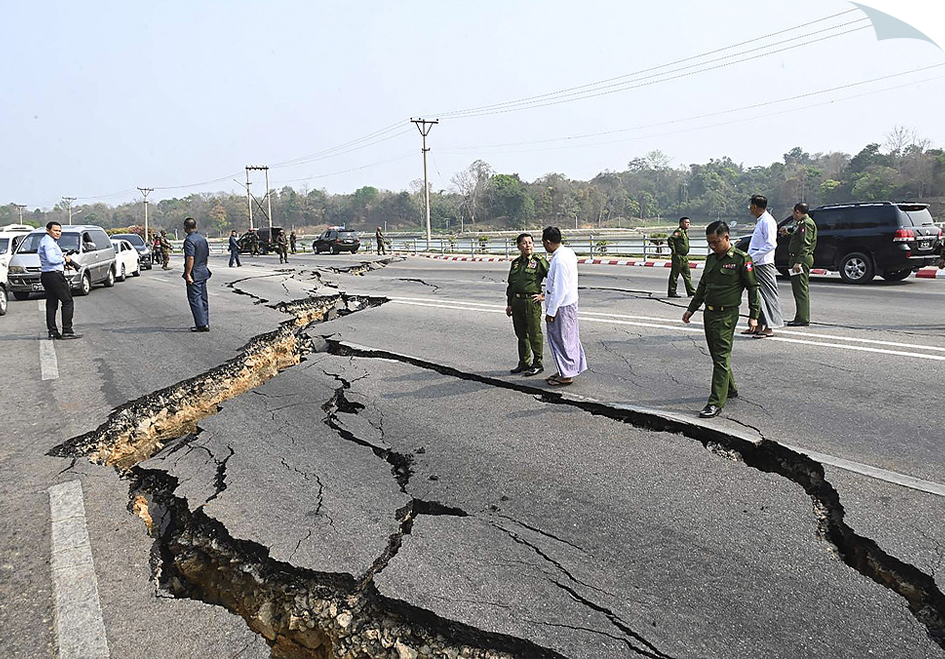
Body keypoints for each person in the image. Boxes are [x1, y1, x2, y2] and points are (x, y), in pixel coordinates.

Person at [683, 221, 759, 418]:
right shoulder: (711, 260)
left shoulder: (742, 259)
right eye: (709, 243)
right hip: (709, 313)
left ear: (727, 237)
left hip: (727, 315)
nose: (712, 246)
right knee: (717, 355)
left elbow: (753, 288)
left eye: (715, 242)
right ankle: (730, 389)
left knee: (722, 355)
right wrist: (691, 309)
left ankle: (716, 402)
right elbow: (702, 286)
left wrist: (753, 316)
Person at [542, 226, 587, 386]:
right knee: (569, 338)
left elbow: (559, 288)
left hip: (562, 306)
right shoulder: (567, 252)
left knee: (561, 340)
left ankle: (566, 375)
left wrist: (551, 311)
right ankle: (564, 369)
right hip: (569, 303)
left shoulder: (560, 259)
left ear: (547, 242)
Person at [506, 233, 549, 377]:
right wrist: (509, 304)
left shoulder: (539, 261)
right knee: (521, 334)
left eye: (530, 242)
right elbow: (511, 285)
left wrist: (544, 295)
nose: (528, 245)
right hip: (517, 302)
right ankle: (524, 362)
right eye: (524, 243)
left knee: (534, 333)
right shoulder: (516, 263)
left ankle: (538, 363)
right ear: (519, 246)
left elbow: (553, 277)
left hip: (532, 302)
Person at [743, 195, 783, 338]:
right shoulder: (761, 221)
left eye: (750, 206)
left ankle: (769, 327)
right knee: (756, 295)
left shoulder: (767, 221)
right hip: (756, 263)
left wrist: (753, 257)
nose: (749, 209)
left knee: (767, 295)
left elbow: (771, 244)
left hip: (763, 263)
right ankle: (758, 325)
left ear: (754, 206)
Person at [38, 221, 81, 340]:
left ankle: (52, 331)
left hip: (47, 274)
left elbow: (49, 260)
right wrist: (64, 260)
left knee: (52, 303)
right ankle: (67, 330)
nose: (58, 233)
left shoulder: (46, 242)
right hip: (54, 276)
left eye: (59, 231)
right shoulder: (49, 243)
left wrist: (64, 264)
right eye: (55, 230)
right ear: (48, 230)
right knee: (67, 301)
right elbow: (51, 259)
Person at [782, 202, 817, 327]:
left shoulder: (806, 224)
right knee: (798, 289)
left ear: (797, 211)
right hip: (796, 258)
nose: (793, 215)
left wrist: (799, 262)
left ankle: (802, 318)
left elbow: (805, 244)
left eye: (794, 212)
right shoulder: (801, 224)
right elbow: (798, 238)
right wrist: (788, 234)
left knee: (800, 289)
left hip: (800, 259)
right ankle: (800, 316)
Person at [182, 217, 211, 332]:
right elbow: (206, 257)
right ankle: (205, 321)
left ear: (185, 228)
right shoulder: (202, 239)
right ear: (195, 226)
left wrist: (188, 273)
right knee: (203, 298)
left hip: (195, 272)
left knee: (195, 299)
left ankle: (201, 324)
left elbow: (190, 258)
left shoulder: (189, 241)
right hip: (203, 270)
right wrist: (204, 267)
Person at [667, 216, 696, 298]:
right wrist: (673, 250)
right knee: (675, 274)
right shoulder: (678, 232)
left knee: (687, 274)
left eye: (689, 223)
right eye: (686, 223)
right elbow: (670, 239)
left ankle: (691, 291)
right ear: (681, 223)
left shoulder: (684, 232)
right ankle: (672, 291)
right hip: (678, 256)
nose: (688, 224)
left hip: (684, 257)